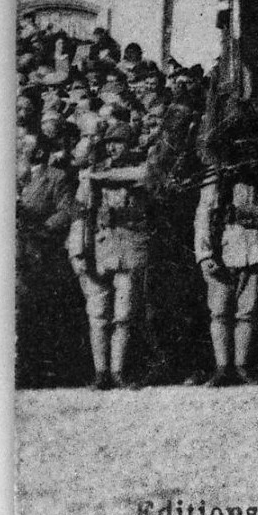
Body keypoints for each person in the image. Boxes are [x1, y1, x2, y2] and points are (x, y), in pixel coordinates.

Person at [193, 111, 258, 387]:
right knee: (219, 310)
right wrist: (204, 253)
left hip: (253, 247)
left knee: (248, 310)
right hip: (222, 248)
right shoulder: (216, 176)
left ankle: (242, 366)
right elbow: (203, 216)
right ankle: (222, 367)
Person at [66, 121, 153, 389]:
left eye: (120, 142)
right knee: (98, 313)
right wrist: (77, 251)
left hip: (129, 248)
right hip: (99, 248)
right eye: (109, 143)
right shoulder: (92, 174)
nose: (114, 147)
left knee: (124, 314)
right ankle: (101, 372)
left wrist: (94, 176)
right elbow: (80, 214)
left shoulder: (141, 169)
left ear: (131, 145)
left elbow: (143, 175)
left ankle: (119, 371)